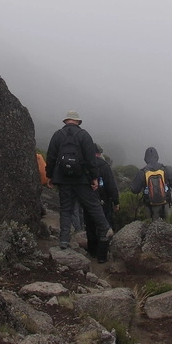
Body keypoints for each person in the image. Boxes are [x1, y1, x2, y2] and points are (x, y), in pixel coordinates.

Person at [45, 110, 112, 262]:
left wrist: (50, 176)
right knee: (93, 206)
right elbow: (91, 159)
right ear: (78, 122)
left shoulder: (57, 135)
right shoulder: (84, 135)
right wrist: (94, 178)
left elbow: (51, 157)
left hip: (62, 179)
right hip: (82, 179)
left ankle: (63, 241)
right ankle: (104, 229)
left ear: (66, 121)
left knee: (65, 209)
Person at [84, 143, 120, 258]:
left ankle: (92, 251)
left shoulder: (84, 164)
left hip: (87, 200)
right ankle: (102, 256)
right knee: (104, 225)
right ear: (99, 153)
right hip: (103, 201)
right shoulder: (104, 166)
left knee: (90, 225)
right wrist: (116, 202)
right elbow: (111, 186)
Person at [130, 146, 172, 220]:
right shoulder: (165, 169)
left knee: (152, 227)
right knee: (169, 226)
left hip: (150, 206)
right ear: (157, 156)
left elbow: (135, 190)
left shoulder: (143, 172)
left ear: (145, 158)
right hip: (166, 204)